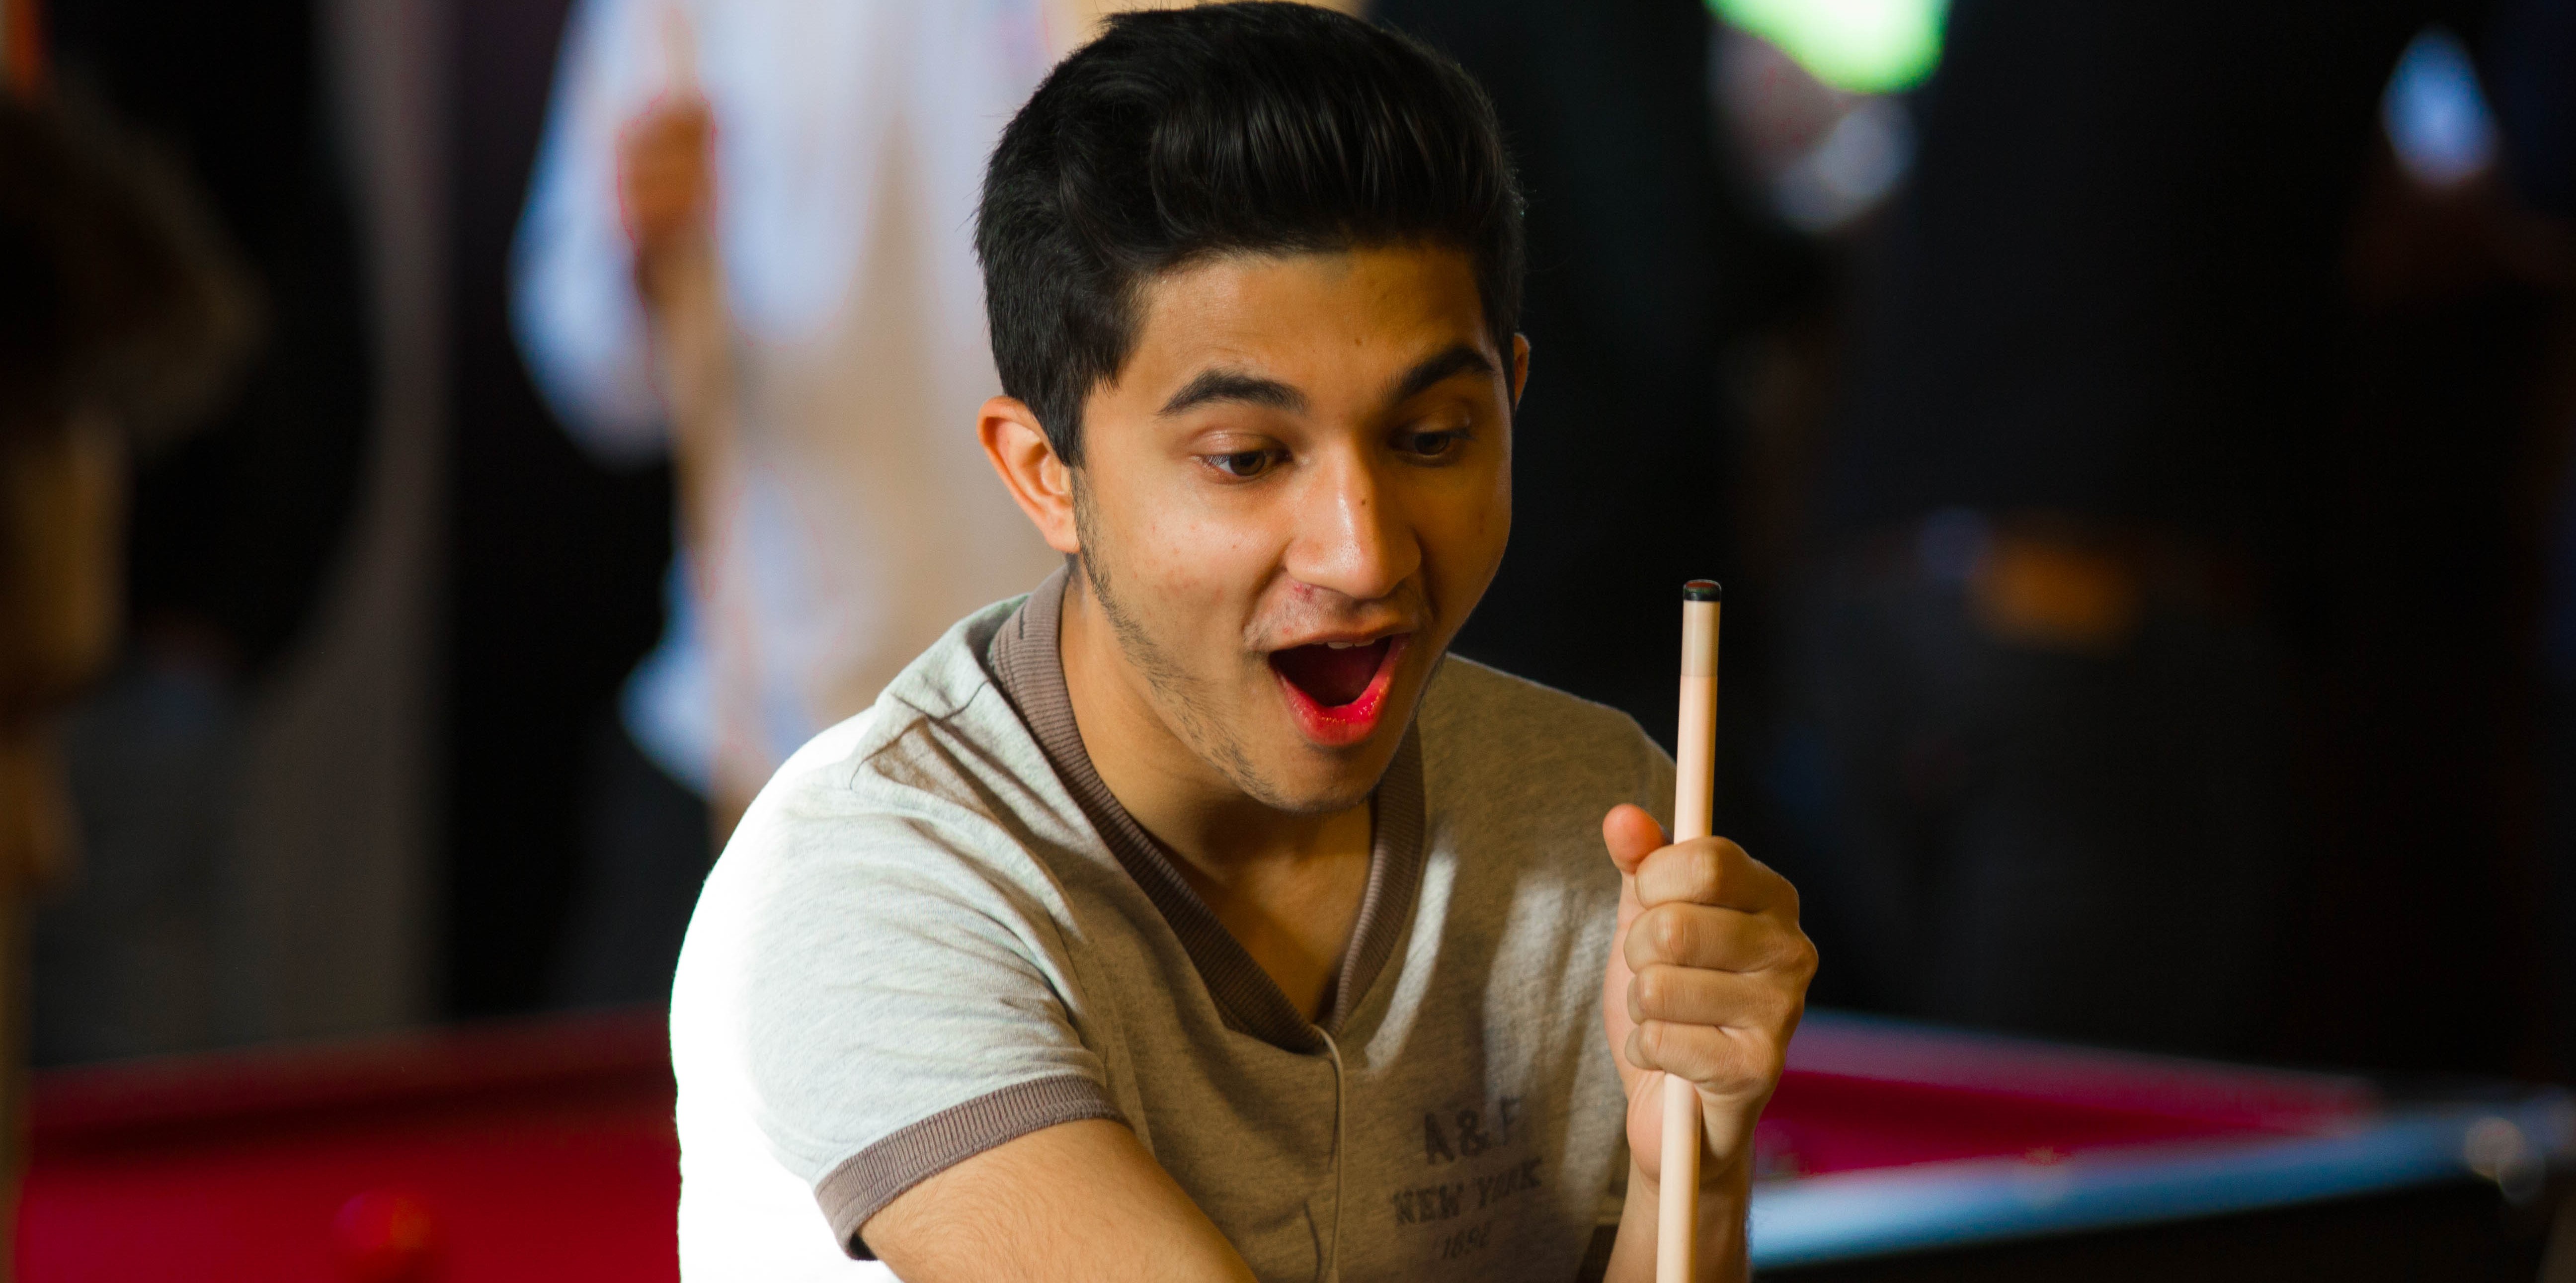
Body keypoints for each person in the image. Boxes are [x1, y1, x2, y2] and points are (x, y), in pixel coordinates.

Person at [669, 6, 1815, 1282]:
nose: (1366, 552)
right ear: (1046, 472)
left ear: (1516, 407)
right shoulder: (873, 877)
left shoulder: (1606, 826)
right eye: (1248, 458)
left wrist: (1685, 1177)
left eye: (1432, 438)